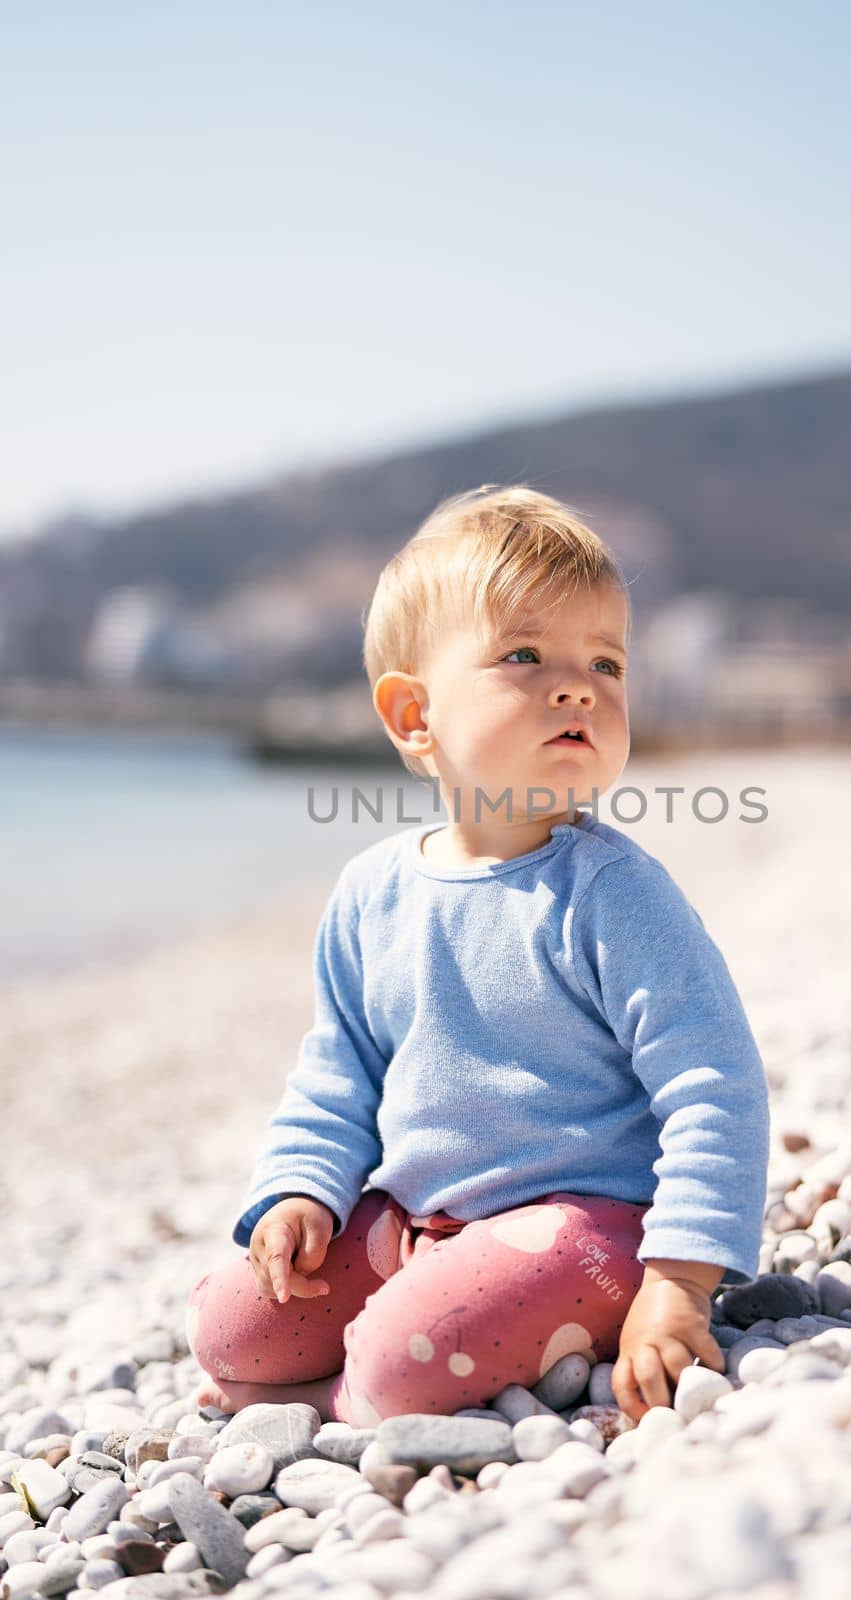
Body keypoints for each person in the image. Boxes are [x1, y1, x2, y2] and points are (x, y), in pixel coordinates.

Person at [185, 484, 770, 1427]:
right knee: (229, 1323)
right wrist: (302, 1190)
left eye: (606, 664)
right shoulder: (373, 891)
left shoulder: (612, 894)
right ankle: (313, 1380)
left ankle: (327, 1403)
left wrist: (681, 1279)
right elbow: (339, 1074)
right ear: (414, 716)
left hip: (589, 1228)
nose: (578, 686)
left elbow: (714, 1083)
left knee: (394, 1365)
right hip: (421, 1219)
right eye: (524, 657)